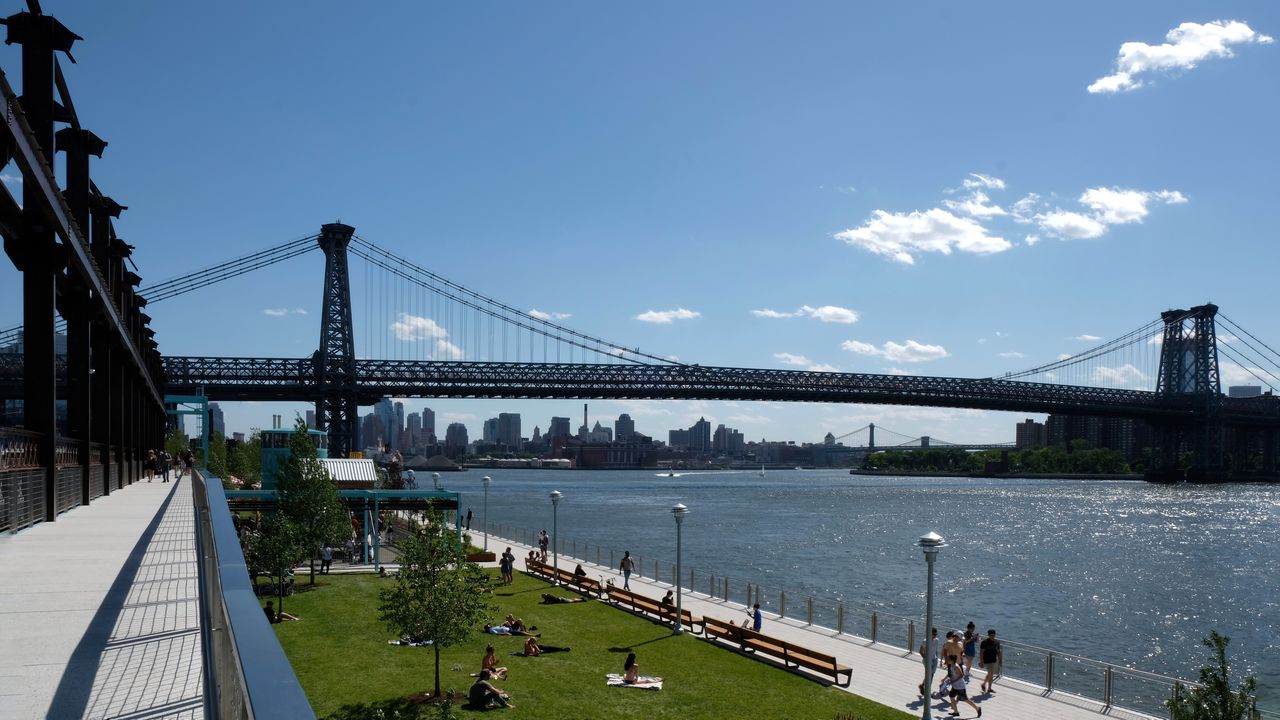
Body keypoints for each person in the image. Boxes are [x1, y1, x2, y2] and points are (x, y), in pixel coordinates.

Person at [979, 629, 1003, 694]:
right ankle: (987, 687)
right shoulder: (984, 642)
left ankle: (986, 686)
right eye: (991, 635)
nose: (992, 636)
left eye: (993, 635)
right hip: (986, 661)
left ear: (995, 635)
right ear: (988, 635)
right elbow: (981, 652)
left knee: (990, 674)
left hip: (994, 660)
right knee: (991, 674)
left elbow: (998, 652)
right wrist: (981, 661)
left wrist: (1000, 661)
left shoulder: (997, 642)